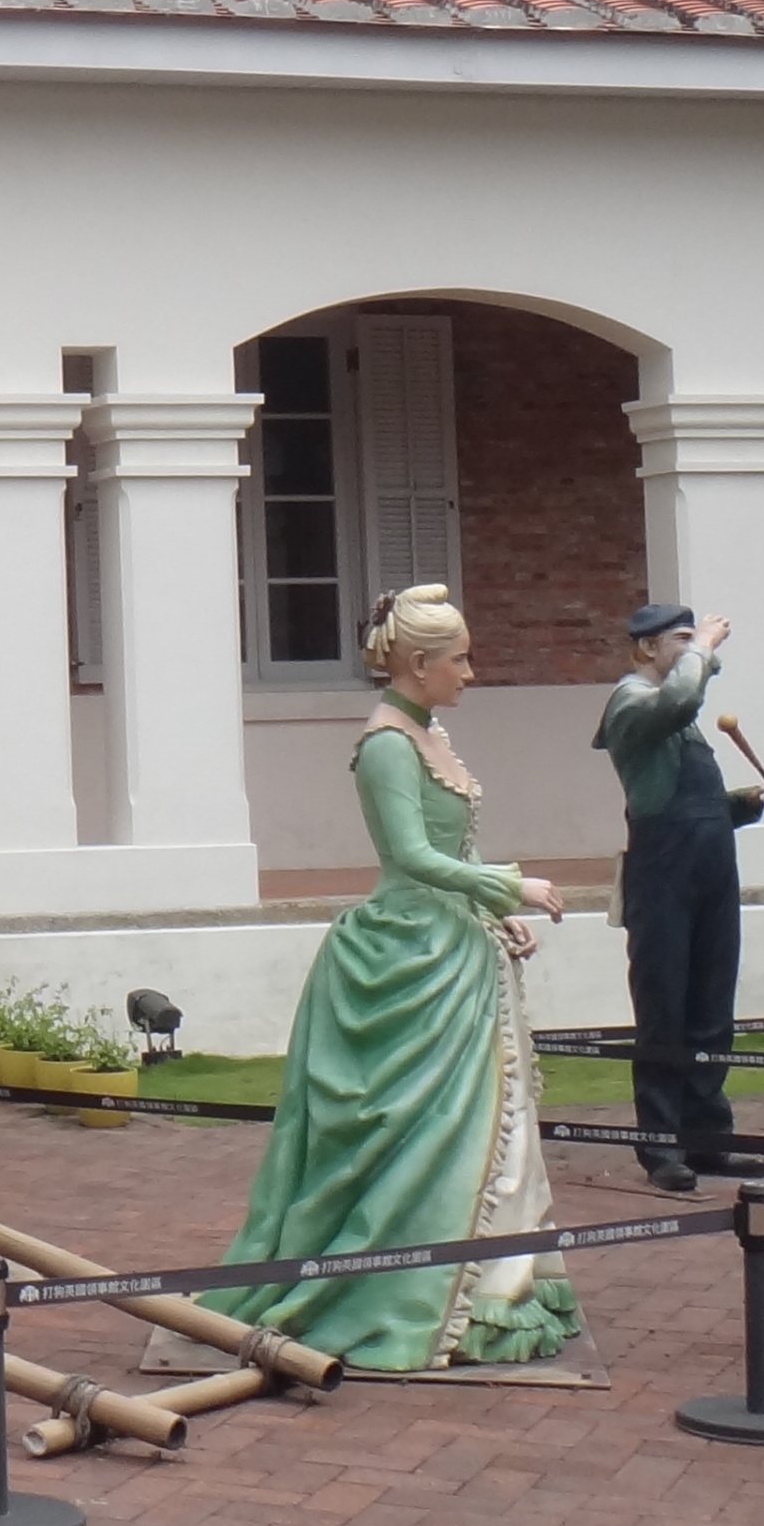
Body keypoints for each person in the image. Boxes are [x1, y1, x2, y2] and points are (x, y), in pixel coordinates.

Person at [199, 586, 581, 1371]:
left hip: (451, 946)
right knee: (421, 1135)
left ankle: (491, 1290)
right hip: (406, 951)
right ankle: (393, 1293)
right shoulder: (385, 744)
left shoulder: (427, 733)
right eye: (458, 659)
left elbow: (449, 853)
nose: (470, 673)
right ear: (416, 664)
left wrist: (486, 906)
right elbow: (408, 856)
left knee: (486, 1130)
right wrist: (510, 888)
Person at [593, 603, 764, 1195]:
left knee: (711, 1009)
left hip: (711, 866)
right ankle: (662, 1146)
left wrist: (756, 800)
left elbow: (699, 806)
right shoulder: (633, 705)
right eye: (681, 639)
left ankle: (707, 1136)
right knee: (663, 1010)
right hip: (662, 872)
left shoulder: (681, 722)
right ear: (645, 648)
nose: (698, 648)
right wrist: (705, 649)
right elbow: (683, 699)